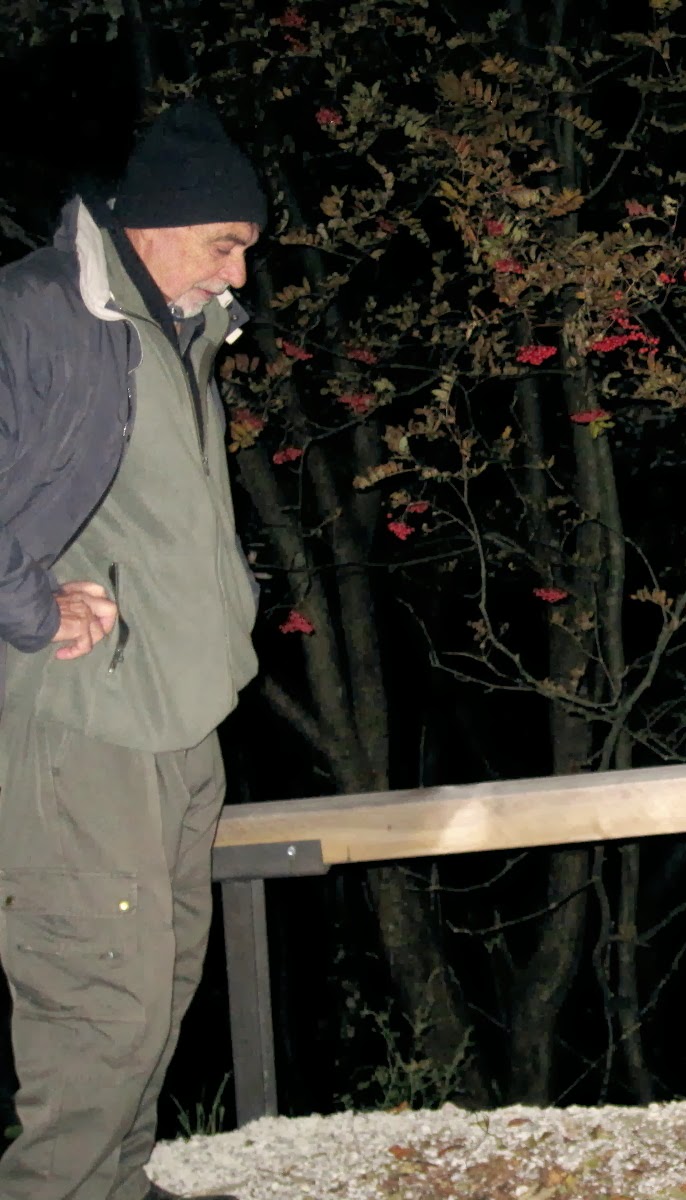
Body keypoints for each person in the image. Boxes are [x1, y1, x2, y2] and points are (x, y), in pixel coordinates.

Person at [0, 99, 265, 1200]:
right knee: (99, 998)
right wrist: (26, 606)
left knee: (159, 980)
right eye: (226, 245)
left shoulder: (175, 328)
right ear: (156, 223)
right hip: (86, 726)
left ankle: (113, 1183)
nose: (239, 274)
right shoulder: (41, 313)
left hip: (182, 714)